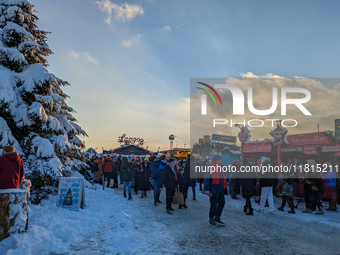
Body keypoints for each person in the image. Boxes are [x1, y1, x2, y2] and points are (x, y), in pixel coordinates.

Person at [204, 155, 227, 227]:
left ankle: (217, 217)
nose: (221, 161)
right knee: (214, 205)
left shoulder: (220, 167)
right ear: (216, 160)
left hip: (220, 188)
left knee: (222, 203)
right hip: (213, 189)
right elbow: (207, 178)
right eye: (220, 159)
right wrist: (207, 189)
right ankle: (211, 219)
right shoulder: (210, 167)